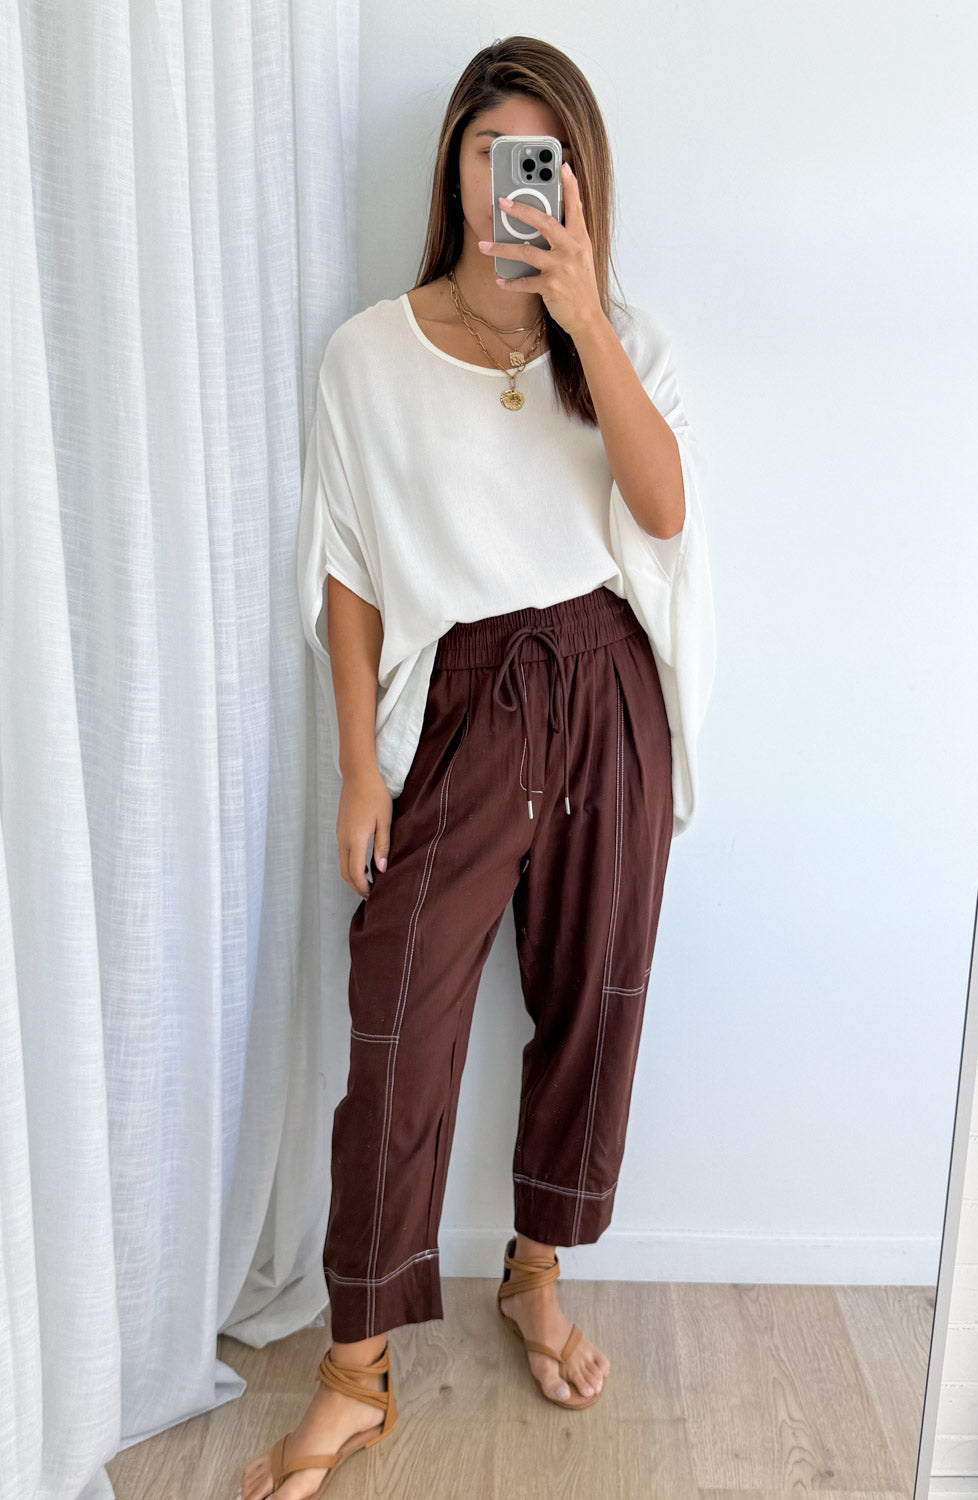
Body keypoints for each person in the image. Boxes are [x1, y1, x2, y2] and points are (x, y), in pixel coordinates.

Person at [240, 33, 715, 1500]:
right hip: (460, 702)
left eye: (543, 164)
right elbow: (346, 571)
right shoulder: (367, 355)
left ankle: (534, 1275)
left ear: (577, 182)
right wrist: (357, 770)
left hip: (607, 686)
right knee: (398, 1027)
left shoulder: (620, 338)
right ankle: (356, 1371)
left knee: (593, 1004)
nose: (515, 185)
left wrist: (582, 321)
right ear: (454, 168)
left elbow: (664, 511)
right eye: (492, 155)